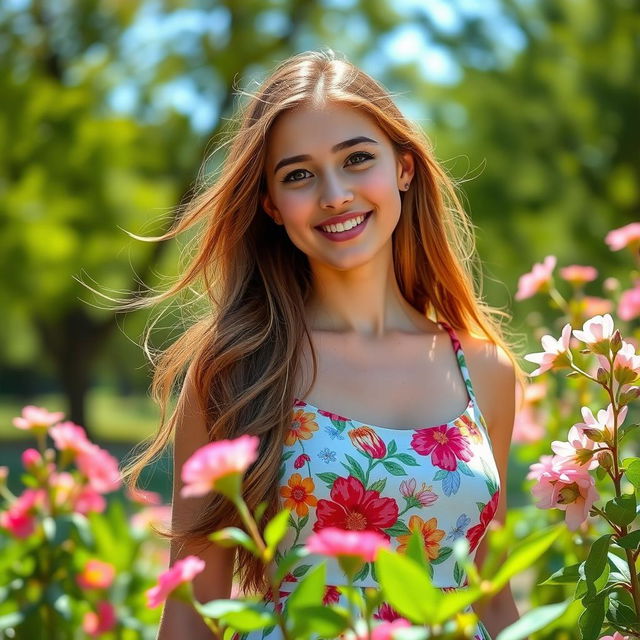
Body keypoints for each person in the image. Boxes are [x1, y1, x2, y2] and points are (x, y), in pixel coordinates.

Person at [121, 49, 527, 640]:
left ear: (404, 169)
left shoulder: (484, 369)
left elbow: (491, 598)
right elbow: (190, 613)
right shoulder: (237, 370)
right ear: (272, 207)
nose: (335, 194)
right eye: (299, 175)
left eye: (358, 159)